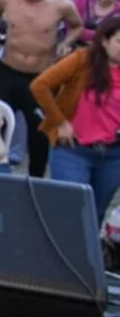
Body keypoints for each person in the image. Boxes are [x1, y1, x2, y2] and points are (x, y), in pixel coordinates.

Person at [0, 0, 83, 179]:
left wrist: (66, 42)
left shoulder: (62, 5)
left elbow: (77, 25)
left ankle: (35, 184)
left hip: (40, 80)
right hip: (7, 72)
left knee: (39, 138)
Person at [32, 13, 120, 219]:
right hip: (74, 150)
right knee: (70, 212)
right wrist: (60, 121)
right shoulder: (82, 60)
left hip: (114, 154)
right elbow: (40, 86)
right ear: (105, 41)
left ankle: (87, 253)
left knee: (95, 215)